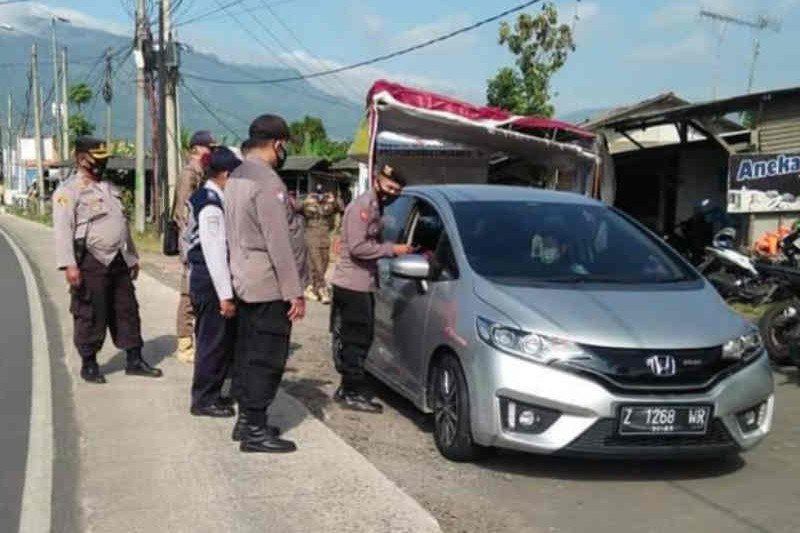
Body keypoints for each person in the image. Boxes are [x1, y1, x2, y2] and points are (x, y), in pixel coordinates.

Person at [225, 114, 307, 453]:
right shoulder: (267, 181)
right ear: (277, 144)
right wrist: (294, 292)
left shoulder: (236, 175)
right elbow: (279, 243)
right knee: (267, 357)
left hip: (244, 279)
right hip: (268, 284)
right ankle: (256, 430)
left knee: (247, 353)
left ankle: (246, 421)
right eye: (284, 145)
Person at [53, 137, 163, 384]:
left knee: (127, 309)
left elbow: (122, 225)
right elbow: (62, 229)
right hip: (90, 260)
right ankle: (89, 363)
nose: (100, 165)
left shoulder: (108, 187)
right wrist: (69, 264)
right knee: (91, 312)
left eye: (103, 160)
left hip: (118, 260)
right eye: (95, 160)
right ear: (81, 159)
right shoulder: (68, 192)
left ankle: (134, 359)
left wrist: (132, 258)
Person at [329, 164, 414, 412]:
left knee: (360, 338)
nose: (392, 193)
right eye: (389, 187)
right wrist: (392, 249)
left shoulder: (376, 205)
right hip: (352, 284)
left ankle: (351, 388)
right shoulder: (363, 207)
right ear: (377, 181)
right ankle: (349, 391)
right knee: (356, 339)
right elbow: (358, 248)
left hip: (362, 282)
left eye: (396, 190)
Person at [185, 147, 241, 418]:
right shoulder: (210, 204)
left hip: (208, 278)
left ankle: (214, 393)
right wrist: (225, 296)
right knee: (212, 342)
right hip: (210, 280)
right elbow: (214, 252)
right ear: (226, 175)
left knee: (219, 341)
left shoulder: (210, 197)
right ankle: (204, 399)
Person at [173, 130, 217, 365]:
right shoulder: (191, 173)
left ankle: (196, 340)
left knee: (200, 291)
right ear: (197, 148)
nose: (211, 152)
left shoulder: (203, 172)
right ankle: (184, 342)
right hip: (191, 241)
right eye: (209, 148)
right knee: (189, 292)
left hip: (201, 240)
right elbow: (184, 211)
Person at [302, 183, 343, 304]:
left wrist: (333, 200)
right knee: (317, 263)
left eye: (321, 194)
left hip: (325, 237)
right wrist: (308, 201)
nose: (319, 197)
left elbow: (340, 208)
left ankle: (313, 289)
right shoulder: (308, 203)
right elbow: (299, 209)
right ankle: (322, 289)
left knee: (323, 264)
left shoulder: (328, 204)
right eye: (317, 194)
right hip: (312, 236)